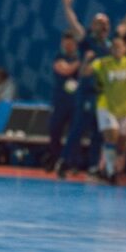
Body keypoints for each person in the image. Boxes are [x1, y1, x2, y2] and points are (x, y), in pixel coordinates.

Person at [56, 0, 126, 178]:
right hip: (87, 91)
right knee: (79, 127)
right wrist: (67, 7)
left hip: (105, 94)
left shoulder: (112, 43)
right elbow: (74, 24)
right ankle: (65, 162)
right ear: (92, 25)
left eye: (105, 23)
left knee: (100, 132)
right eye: (98, 22)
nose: (103, 26)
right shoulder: (86, 40)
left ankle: (95, 165)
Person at [86, 33, 126, 184]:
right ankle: (110, 172)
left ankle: (107, 168)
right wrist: (87, 60)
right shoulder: (103, 63)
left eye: (120, 46)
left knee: (121, 143)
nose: (117, 49)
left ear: (125, 48)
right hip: (107, 106)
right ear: (110, 49)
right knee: (112, 136)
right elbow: (85, 72)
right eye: (114, 46)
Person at [46, 32, 81, 172]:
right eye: (66, 42)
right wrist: (80, 62)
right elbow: (65, 70)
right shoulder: (59, 57)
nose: (68, 45)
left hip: (75, 103)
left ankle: (71, 163)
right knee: (55, 131)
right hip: (60, 102)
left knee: (74, 134)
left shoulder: (78, 57)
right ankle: (54, 160)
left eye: (71, 42)